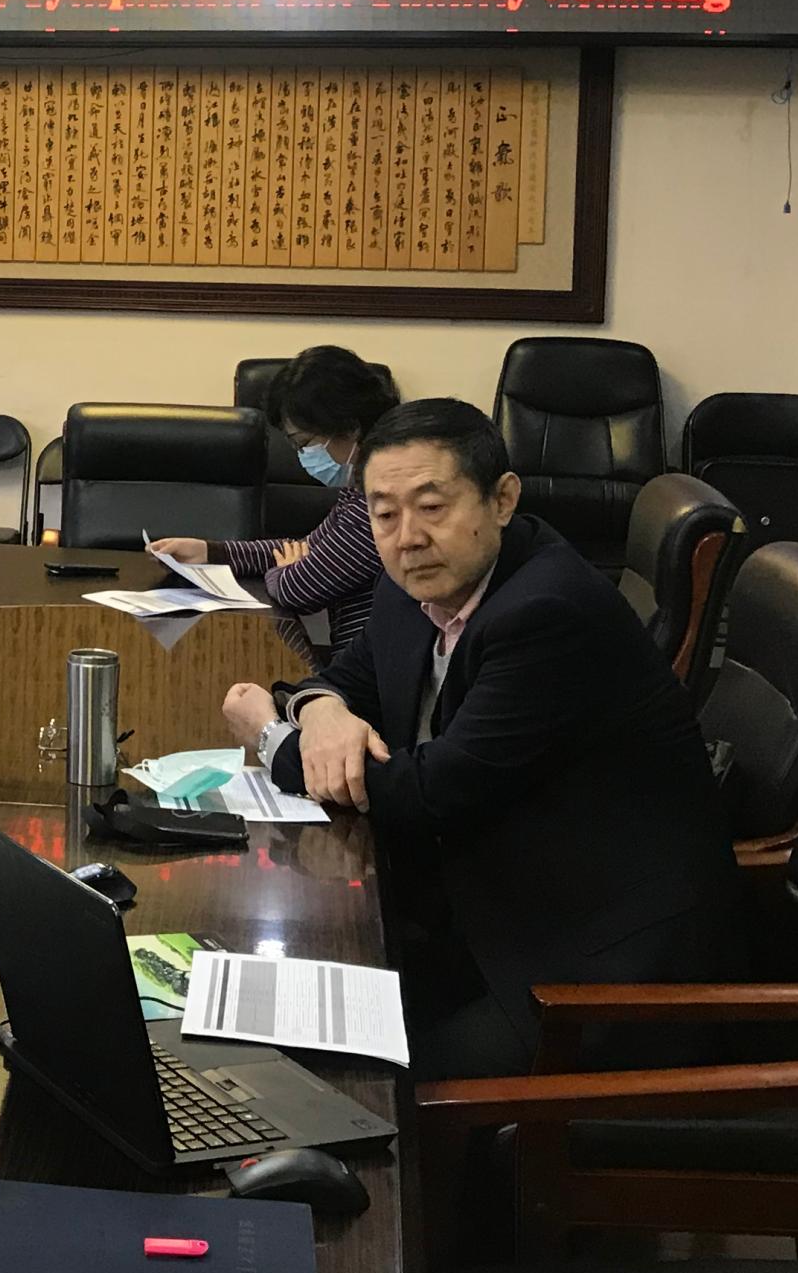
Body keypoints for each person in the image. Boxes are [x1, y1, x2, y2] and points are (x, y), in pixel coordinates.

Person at [219, 397, 742, 1077]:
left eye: (432, 507)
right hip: (477, 910)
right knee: (256, 1012)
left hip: (587, 971)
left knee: (338, 1073)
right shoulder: (416, 583)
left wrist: (272, 738)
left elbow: (431, 793)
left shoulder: (547, 611)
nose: (407, 537)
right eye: (384, 514)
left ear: (502, 499)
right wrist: (318, 711)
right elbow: (347, 679)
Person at [150, 345, 399, 652]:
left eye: (305, 443)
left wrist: (286, 573)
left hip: (374, 667)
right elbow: (307, 548)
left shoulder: (381, 504)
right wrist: (209, 552)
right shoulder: (357, 490)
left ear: (349, 427)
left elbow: (299, 589)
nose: (302, 456)